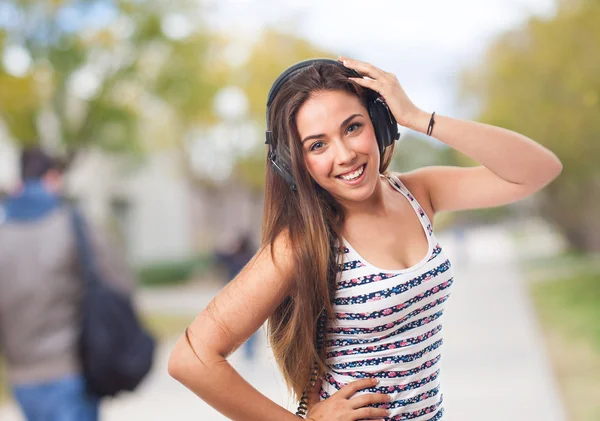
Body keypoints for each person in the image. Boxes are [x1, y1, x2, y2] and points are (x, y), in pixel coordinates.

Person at [168, 57, 562, 421]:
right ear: (294, 163)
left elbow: (537, 170)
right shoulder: (303, 244)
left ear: (379, 122)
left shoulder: (419, 193)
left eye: (353, 127)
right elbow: (191, 358)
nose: (345, 155)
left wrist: (418, 117)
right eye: (317, 145)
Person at [0, 148, 135, 421]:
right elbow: (120, 282)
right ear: (52, 178)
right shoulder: (73, 225)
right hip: (70, 369)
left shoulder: (4, 232)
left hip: (21, 376)